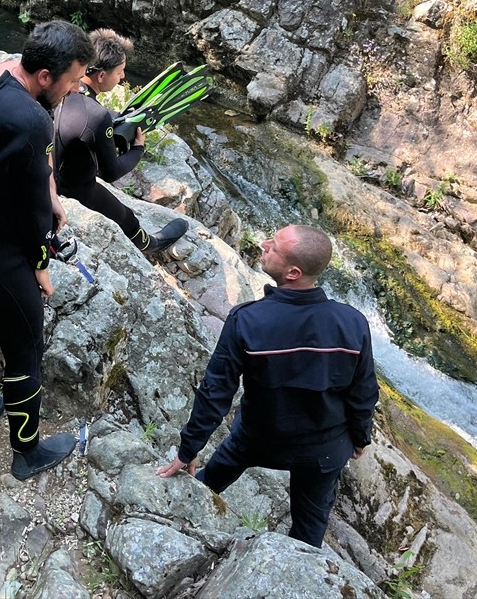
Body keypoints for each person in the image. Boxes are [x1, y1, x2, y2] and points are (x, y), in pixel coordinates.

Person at [158, 225, 378, 548]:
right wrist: (360, 437)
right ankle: (298, 565)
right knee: (309, 529)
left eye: (273, 246)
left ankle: (174, 523)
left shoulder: (248, 320)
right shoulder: (352, 322)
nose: (263, 244)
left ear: (293, 273)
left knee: (208, 482)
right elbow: (364, 393)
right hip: (325, 448)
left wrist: (188, 450)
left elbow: (216, 391)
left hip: (259, 439)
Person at [0, 21, 94, 480]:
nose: (74, 91)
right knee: (26, 347)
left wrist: (47, 191)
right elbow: (33, 214)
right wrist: (41, 263)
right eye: (72, 81)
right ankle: (27, 452)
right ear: (45, 76)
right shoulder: (33, 119)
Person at [54, 29, 189, 254]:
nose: (123, 77)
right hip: (75, 189)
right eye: (120, 72)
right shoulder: (96, 116)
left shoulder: (61, 90)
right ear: (101, 76)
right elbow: (110, 172)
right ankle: (151, 244)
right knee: (128, 218)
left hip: (49, 177)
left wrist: (116, 122)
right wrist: (137, 148)